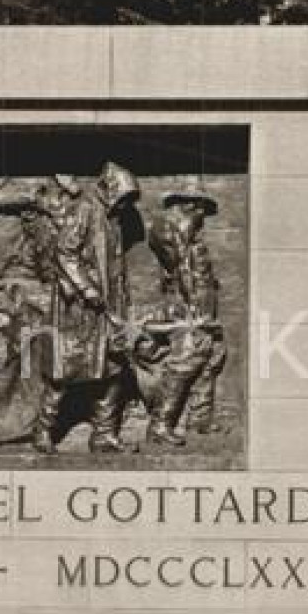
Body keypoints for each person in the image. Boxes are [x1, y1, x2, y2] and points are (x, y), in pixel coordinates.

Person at [33, 163, 140, 455]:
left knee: (114, 369)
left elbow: (116, 268)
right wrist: (86, 288)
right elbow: (64, 252)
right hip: (78, 309)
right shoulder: (86, 210)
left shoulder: (113, 219)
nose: (128, 204)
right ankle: (43, 430)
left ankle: (104, 435)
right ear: (112, 190)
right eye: (126, 196)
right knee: (64, 371)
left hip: (108, 308)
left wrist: (122, 305)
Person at [143, 179, 227, 445]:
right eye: (202, 207)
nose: (204, 214)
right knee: (188, 360)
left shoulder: (175, 223)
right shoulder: (177, 222)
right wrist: (195, 310)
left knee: (210, 355)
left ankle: (199, 418)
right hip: (189, 302)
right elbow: (184, 268)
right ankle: (160, 424)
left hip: (196, 298)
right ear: (191, 204)